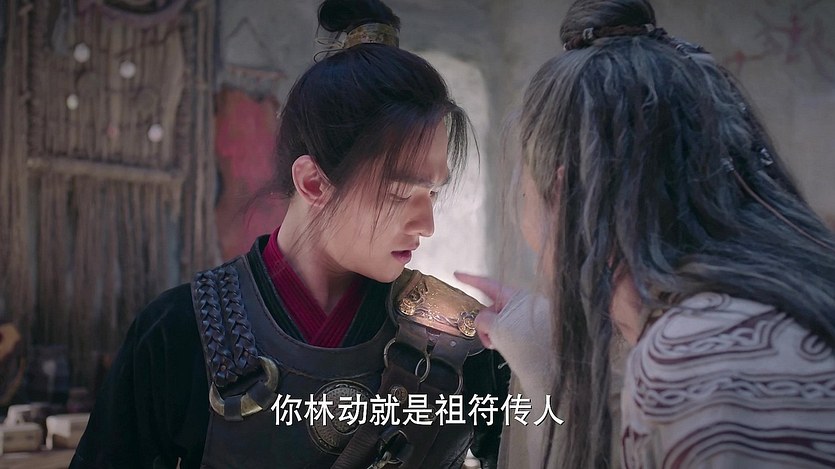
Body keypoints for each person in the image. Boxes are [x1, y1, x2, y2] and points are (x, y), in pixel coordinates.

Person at [69, 1, 508, 467]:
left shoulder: (456, 345)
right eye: (401, 192)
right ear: (313, 183)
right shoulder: (178, 334)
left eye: (432, 193)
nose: (428, 224)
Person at [457, 0, 835, 467]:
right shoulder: (741, 319)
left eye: (524, 190)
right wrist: (542, 349)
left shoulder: (694, 359)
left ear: (567, 197)